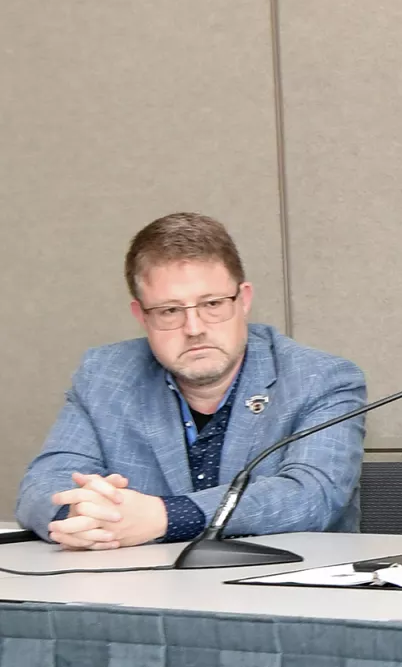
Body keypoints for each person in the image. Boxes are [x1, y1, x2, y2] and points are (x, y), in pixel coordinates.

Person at [16, 213, 366, 548]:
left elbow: (311, 496)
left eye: (212, 304)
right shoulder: (105, 375)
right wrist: (79, 515)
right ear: (142, 315)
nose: (195, 328)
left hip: (282, 591)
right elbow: (41, 485)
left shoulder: (321, 379)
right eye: (170, 311)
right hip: (140, 591)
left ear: (243, 300)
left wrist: (165, 516)